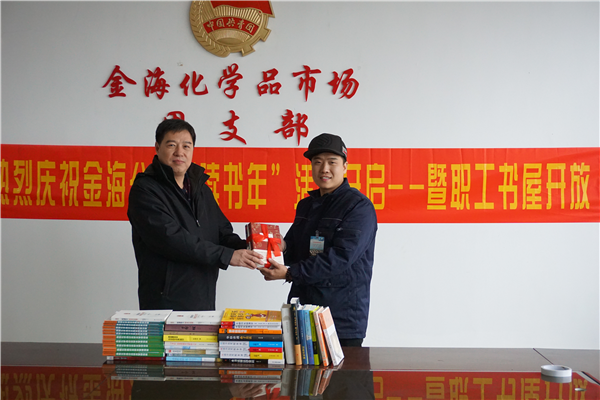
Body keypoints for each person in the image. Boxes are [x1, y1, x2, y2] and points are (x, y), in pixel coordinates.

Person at [127, 119, 263, 311]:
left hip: (203, 298)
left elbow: (222, 233)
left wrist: (255, 250)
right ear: (157, 147)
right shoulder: (145, 190)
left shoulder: (200, 189)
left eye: (186, 146)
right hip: (165, 302)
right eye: (171, 145)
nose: (179, 152)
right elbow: (170, 239)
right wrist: (227, 256)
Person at [260, 133, 378, 346]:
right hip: (303, 311)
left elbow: (341, 257)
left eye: (332, 162)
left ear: (345, 167)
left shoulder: (358, 207)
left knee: (344, 369)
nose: (324, 169)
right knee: (299, 368)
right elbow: (294, 247)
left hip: (340, 318)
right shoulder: (306, 205)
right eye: (317, 162)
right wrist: (278, 246)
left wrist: (290, 273)